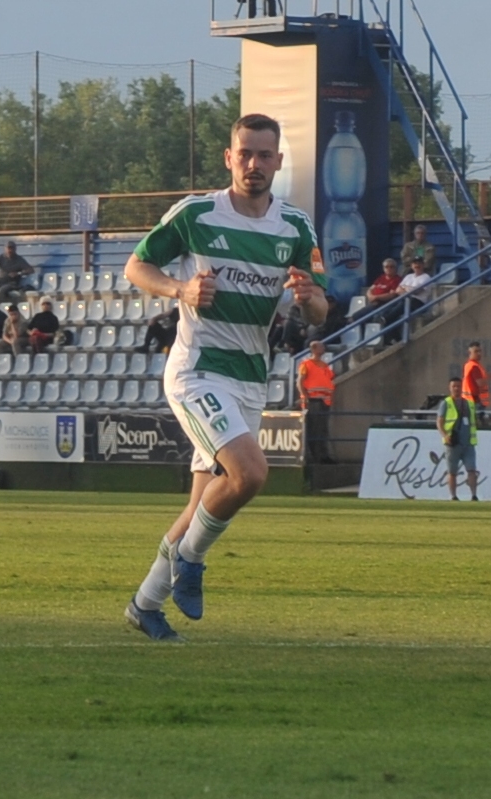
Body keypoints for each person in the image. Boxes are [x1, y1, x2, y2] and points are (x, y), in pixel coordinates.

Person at [121, 113, 327, 642]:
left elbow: (320, 310)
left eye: (264, 155)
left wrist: (309, 299)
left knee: (200, 505)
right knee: (250, 474)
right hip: (198, 370)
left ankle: (144, 605)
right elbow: (136, 267)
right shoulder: (197, 214)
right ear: (228, 158)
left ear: (278, 162)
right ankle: (190, 561)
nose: (254, 163)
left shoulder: (295, 226)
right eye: (245, 153)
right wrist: (181, 290)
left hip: (251, 378)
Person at [436, 376, 479, 501]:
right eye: (454, 386)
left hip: (467, 443)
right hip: (452, 443)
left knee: (471, 470)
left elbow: (473, 422)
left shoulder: (469, 404)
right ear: (450, 388)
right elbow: (439, 422)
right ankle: (453, 496)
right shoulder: (446, 403)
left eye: (458, 386)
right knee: (452, 471)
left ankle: (474, 495)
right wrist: (445, 435)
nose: (456, 388)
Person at [297, 340, 336, 464]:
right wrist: (305, 396)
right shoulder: (306, 364)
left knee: (323, 429)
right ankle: (315, 456)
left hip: (324, 401)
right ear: (314, 349)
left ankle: (323, 455)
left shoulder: (324, 365)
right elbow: (300, 382)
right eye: (321, 346)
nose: (323, 348)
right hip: (313, 401)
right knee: (314, 429)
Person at [382, 257, 433, 345]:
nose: (417, 265)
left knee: (395, 311)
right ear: (411, 265)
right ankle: (395, 338)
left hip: (418, 302)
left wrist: (405, 288)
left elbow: (417, 291)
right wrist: (409, 290)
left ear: (423, 265)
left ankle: (386, 319)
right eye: (415, 263)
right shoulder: (408, 276)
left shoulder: (426, 277)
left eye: (419, 263)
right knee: (390, 312)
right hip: (405, 299)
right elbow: (398, 290)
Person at [461, 341, 491, 419]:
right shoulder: (474, 366)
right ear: (470, 352)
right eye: (476, 351)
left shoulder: (470, 365)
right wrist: (490, 378)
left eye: (480, 351)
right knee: (476, 421)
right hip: (475, 401)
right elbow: (480, 383)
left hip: (470, 400)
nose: (479, 353)